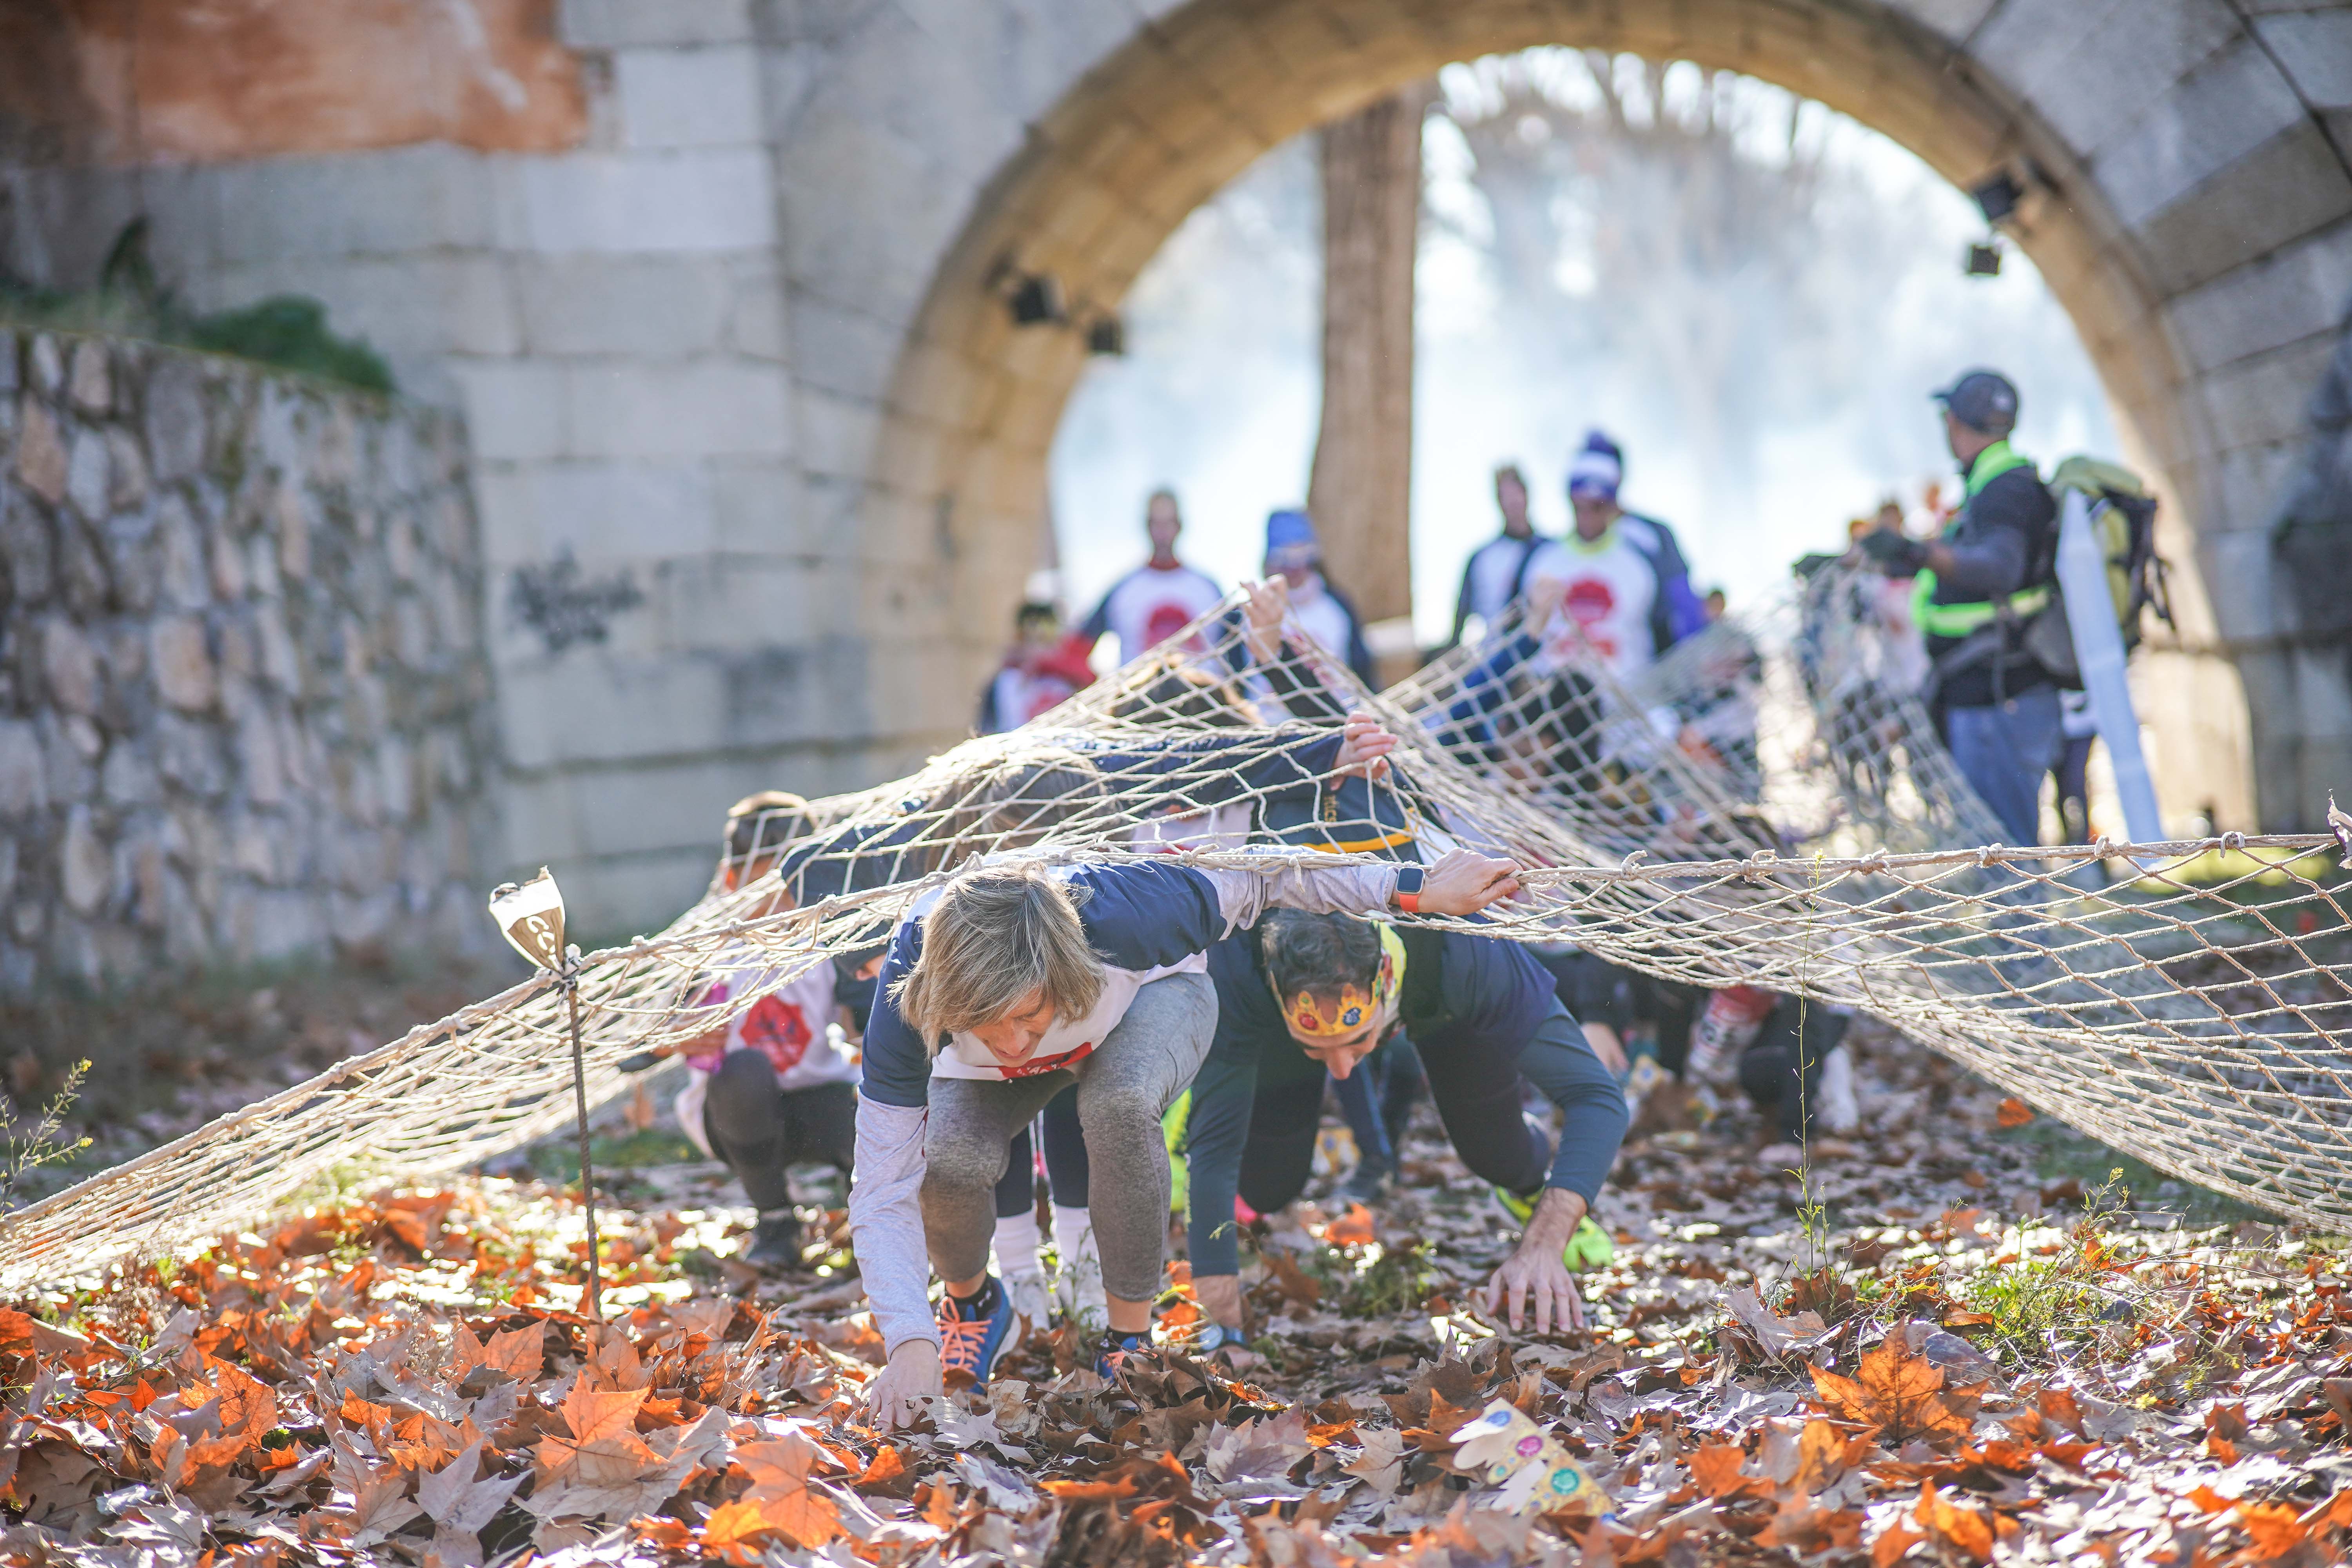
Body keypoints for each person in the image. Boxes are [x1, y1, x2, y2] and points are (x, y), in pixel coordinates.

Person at [853, 838, 1526, 1429]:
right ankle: (973, 1307)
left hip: (1151, 1005)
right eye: (985, 1022)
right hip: (990, 1068)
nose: (1011, 1041)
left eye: (1027, 1012)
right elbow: (881, 1187)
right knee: (946, 1161)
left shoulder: (1131, 910)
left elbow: (1271, 874)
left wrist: (1412, 887)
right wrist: (909, 1342)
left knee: (1116, 1106)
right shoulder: (907, 995)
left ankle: (1128, 1341)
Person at [1182, 912, 1626, 1346]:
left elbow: (1597, 1096)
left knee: (1494, 1152)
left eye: (1357, 1041)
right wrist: (1223, 1316)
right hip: (1274, 1015)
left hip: (1439, 990)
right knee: (1267, 1185)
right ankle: (1310, 1050)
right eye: (1318, 1050)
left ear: (1387, 973)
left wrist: (1546, 1240)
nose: (1341, 1072)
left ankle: (1528, 1189)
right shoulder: (1238, 967)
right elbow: (1214, 1148)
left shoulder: (1464, 948)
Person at [1857, 370, 2061, 846]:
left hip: (1998, 697)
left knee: (2006, 855)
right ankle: (2016, 920)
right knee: (2001, 850)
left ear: (1954, 421)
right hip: (1991, 694)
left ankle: (2022, 923)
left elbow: (1998, 568)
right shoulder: (1994, 483)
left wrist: (1917, 552)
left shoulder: (2004, 487)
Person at [674, 793, 866, 1266]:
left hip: (820, 1102)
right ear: (733, 881)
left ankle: (868, 1215)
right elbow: (645, 1042)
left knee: (874, 1103)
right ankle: (776, 1221)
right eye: (764, 886)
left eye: (793, 887)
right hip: (736, 1116)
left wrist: (867, 1034)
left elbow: (864, 1016)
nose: (781, 904)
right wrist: (675, 1039)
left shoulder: (828, 947)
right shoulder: (707, 957)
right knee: (744, 1072)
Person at [1522, 432, 1707, 683]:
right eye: (1581, 505)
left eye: (1597, 504)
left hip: (1631, 697)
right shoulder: (1543, 559)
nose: (1589, 515)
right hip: (1557, 703)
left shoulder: (1645, 549)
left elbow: (1679, 614)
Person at [1077, 489, 1224, 664]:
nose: (1162, 534)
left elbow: (1237, 656)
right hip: (1139, 690)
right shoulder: (1124, 591)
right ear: (1147, 527)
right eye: (1156, 524)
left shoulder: (1208, 590)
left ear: (1180, 526)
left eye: (1168, 524)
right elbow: (1078, 649)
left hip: (1202, 691)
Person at [1263, 508, 1375, 685]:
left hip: (1337, 707)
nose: (1295, 569)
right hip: (1268, 711)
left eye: (1303, 556)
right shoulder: (1251, 613)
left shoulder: (1336, 605)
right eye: (1284, 559)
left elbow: (1361, 668)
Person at [1447, 464, 1547, 648]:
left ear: (1527, 495)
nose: (1513, 502)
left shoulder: (1549, 552)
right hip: (1495, 655)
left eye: (1516, 493)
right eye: (1505, 496)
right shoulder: (1481, 559)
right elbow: (1461, 618)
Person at [978, 601, 1096, 734]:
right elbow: (988, 731)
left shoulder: (1074, 680)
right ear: (1020, 640)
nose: (1042, 649)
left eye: (1048, 640)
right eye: (1034, 640)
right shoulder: (1007, 681)